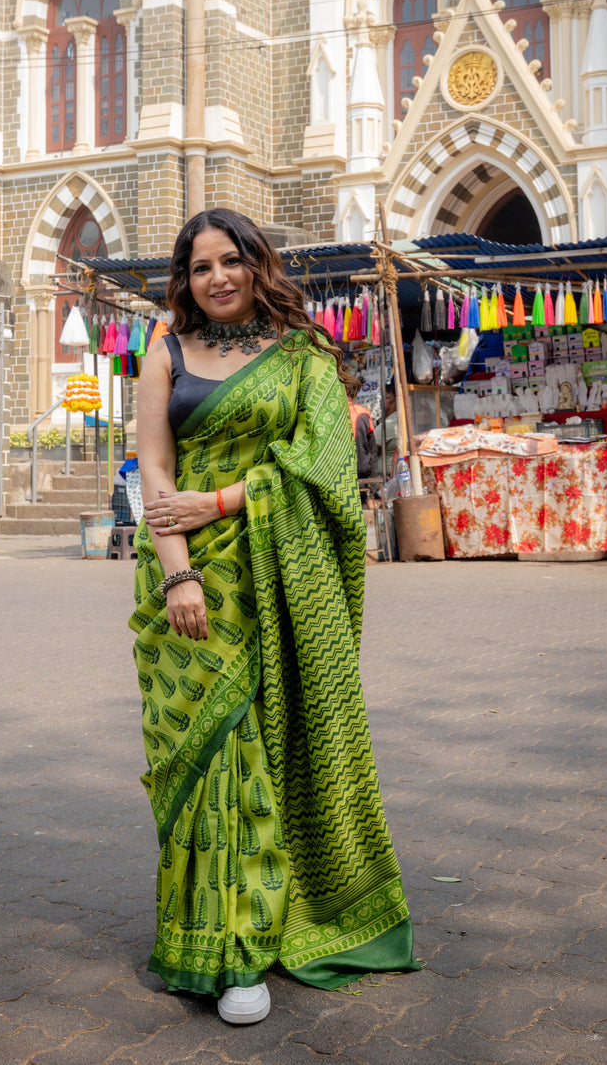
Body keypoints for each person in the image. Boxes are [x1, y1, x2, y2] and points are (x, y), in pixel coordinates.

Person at [132, 209, 420, 1025]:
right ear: (184, 280)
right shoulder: (165, 352)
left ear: (259, 265)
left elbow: (323, 467)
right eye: (199, 267)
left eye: (230, 261)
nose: (216, 277)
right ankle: (208, 938)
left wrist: (223, 497)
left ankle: (245, 949)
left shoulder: (302, 356)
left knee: (256, 757)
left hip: (277, 579)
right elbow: (154, 466)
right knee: (207, 761)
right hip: (189, 582)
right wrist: (178, 575)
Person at [349, 397, 378, 479]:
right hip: (362, 471)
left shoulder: (332, 413)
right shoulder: (363, 413)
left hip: (341, 472)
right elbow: (373, 449)